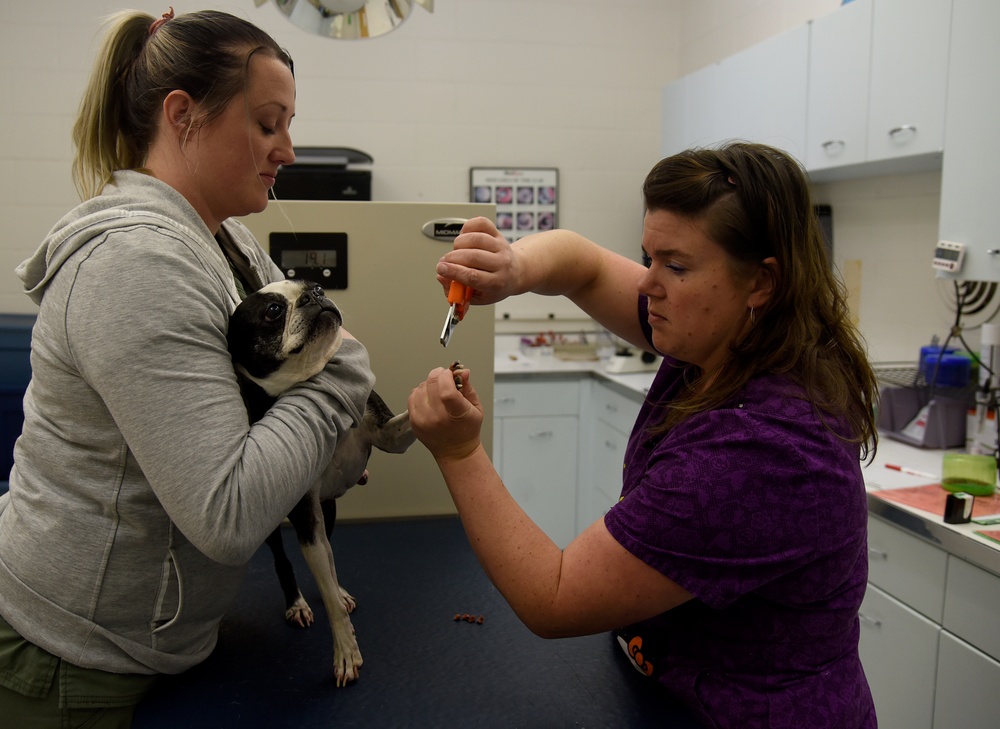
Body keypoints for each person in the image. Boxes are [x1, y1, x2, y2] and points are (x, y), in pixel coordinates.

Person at [409, 142, 880, 728]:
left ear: (761, 281)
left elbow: (553, 596)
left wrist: (458, 451)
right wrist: (516, 267)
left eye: (675, 266)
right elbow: (584, 262)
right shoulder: (721, 339)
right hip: (670, 692)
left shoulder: (760, 451)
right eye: (649, 257)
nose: (649, 285)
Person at [0, 8, 374, 727]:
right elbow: (230, 511)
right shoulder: (136, 265)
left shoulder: (227, 240)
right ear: (184, 116)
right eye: (268, 123)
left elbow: (314, 353)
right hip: (70, 658)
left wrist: (328, 376)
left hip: (161, 639)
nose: (288, 150)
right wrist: (346, 373)